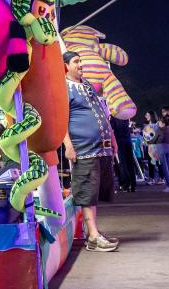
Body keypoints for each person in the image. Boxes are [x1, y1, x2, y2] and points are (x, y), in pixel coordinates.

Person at [63, 51, 119, 251]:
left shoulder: (86, 84)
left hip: (100, 148)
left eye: (81, 61)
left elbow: (102, 112)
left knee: (94, 192)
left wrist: (111, 138)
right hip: (83, 149)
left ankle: (93, 232)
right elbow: (60, 118)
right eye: (76, 62)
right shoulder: (63, 88)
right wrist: (68, 145)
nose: (80, 65)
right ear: (66, 66)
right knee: (87, 191)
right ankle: (93, 237)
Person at [110, 115, 137, 193]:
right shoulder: (126, 117)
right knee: (130, 163)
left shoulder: (114, 119)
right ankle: (133, 185)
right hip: (128, 141)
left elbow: (110, 129)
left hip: (119, 143)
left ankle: (126, 184)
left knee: (122, 164)